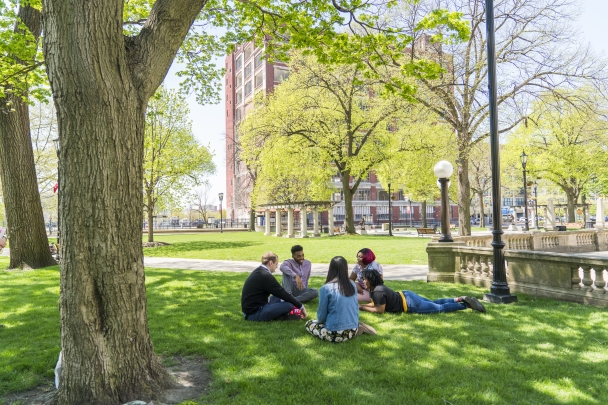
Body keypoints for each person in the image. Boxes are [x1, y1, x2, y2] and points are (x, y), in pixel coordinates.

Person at [306, 256, 376, 342]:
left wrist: (319, 321)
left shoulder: (326, 288)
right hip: (353, 329)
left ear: (331, 268)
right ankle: (356, 326)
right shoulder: (352, 285)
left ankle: (350, 327)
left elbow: (322, 316)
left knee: (309, 323)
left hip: (334, 333)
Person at [359, 269, 486, 314]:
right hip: (407, 295)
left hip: (410, 304)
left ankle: (466, 305)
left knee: (439, 308)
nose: (363, 282)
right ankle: (459, 299)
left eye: (365, 279)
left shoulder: (377, 292)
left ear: (371, 280)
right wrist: (361, 306)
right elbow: (375, 304)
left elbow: (379, 310)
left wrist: (363, 308)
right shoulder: (376, 289)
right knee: (434, 302)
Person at [241, 251, 308, 321]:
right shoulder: (265, 276)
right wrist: (301, 306)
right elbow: (282, 293)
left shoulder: (259, 271)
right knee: (288, 305)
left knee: (279, 298)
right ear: (271, 263)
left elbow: (281, 293)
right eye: (276, 264)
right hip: (254, 313)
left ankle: (280, 315)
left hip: (253, 308)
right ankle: (282, 317)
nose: (277, 267)